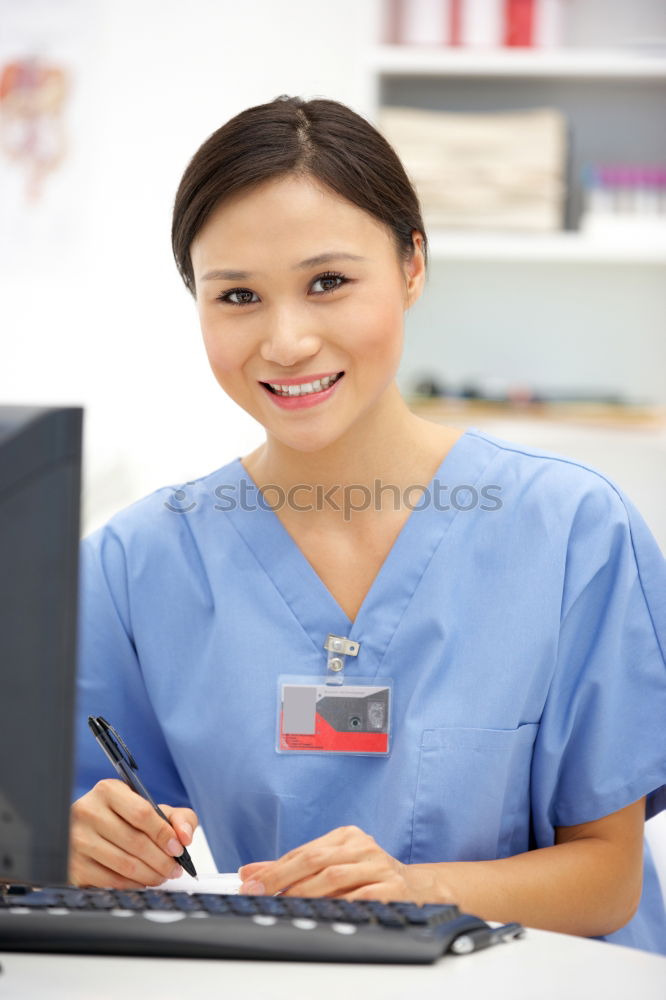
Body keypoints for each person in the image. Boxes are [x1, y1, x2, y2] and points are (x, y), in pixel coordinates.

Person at [69, 94, 666, 955]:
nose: (286, 340)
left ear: (413, 265)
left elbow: (607, 877)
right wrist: (80, 844)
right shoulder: (135, 566)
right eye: (237, 295)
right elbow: (87, 849)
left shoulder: (571, 533)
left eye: (328, 282)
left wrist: (417, 890)